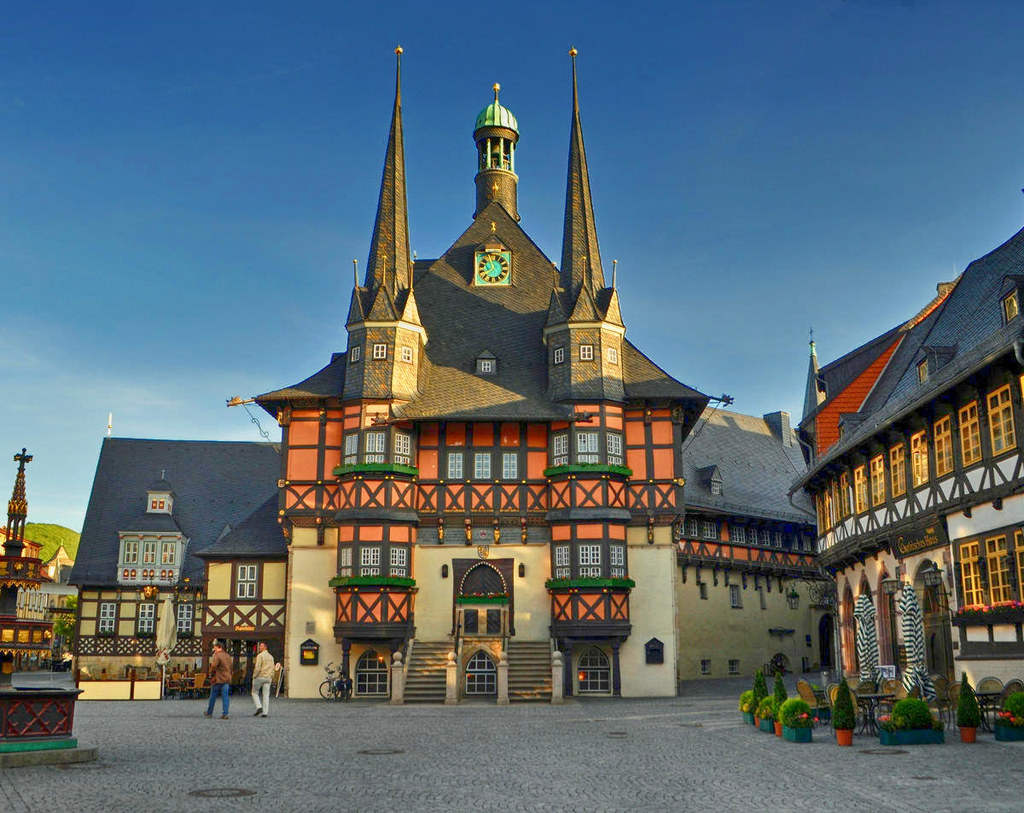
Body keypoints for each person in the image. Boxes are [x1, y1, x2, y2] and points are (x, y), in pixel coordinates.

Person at [204, 641, 232, 719]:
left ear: (220, 648)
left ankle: (209, 712)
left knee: (213, 696)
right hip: (226, 678)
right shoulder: (227, 656)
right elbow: (231, 667)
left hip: (218, 678)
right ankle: (225, 713)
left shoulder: (217, 656)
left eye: (215, 648)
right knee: (225, 696)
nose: (214, 649)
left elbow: (213, 666)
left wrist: (210, 673)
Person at [251, 641, 279, 718]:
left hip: (260, 676)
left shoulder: (260, 656)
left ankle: (259, 707)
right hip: (268, 678)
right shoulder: (271, 657)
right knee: (266, 695)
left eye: (261, 646)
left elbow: (257, 667)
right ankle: (265, 712)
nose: (260, 647)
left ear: (265, 647)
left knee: (254, 692)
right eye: (260, 646)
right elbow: (273, 668)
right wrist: (272, 677)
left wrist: (254, 676)